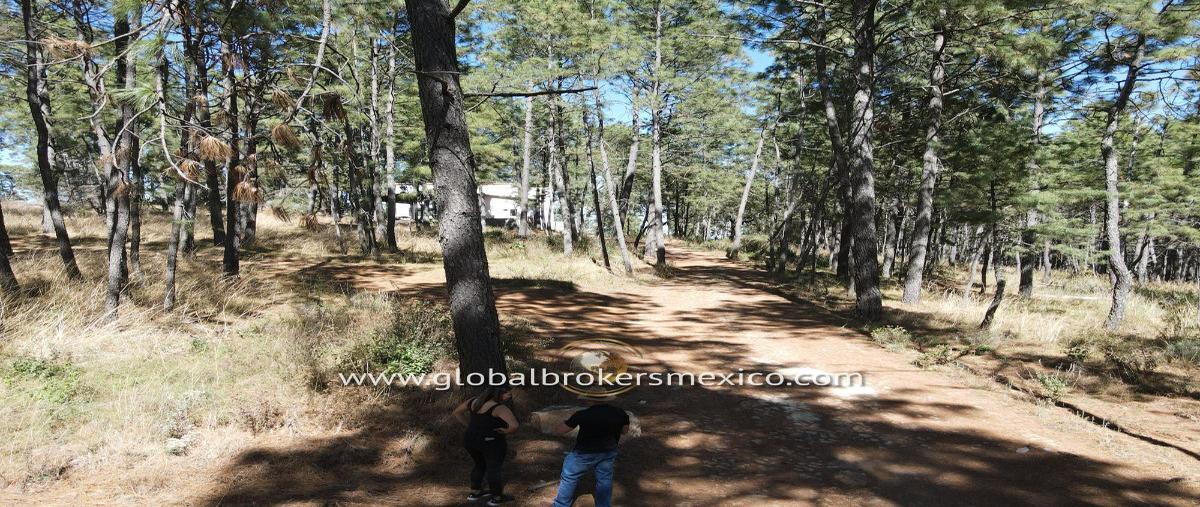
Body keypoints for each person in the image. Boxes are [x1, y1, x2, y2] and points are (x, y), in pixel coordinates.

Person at [551, 398, 631, 507]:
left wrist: (565, 421)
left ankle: (560, 505)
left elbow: (559, 431)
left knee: (569, 477)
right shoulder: (620, 413)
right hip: (608, 452)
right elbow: (625, 431)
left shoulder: (583, 414)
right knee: (604, 480)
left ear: (590, 400)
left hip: (583, 453)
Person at [453, 386, 519, 505]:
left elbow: (456, 412)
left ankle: (475, 492)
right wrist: (506, 431)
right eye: (507, 394)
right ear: (499, 394)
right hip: (491, 442)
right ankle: (496, 498)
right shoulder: (499, 408)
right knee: (494, 468)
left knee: (479, 464)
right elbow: (514, 426)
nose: (509, 396)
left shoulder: (473, 401)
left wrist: (468, 426)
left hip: (470, 440)